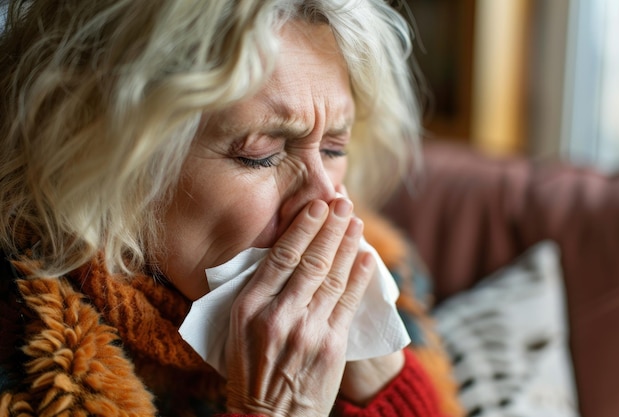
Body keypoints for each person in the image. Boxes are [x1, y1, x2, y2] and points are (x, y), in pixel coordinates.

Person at [0, 1, 460, 416]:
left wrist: (380, 378)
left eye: (334, 148)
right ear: (108, 158)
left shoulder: (386, 274)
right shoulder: (26, 343)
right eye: (261, 154)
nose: (328, 201)